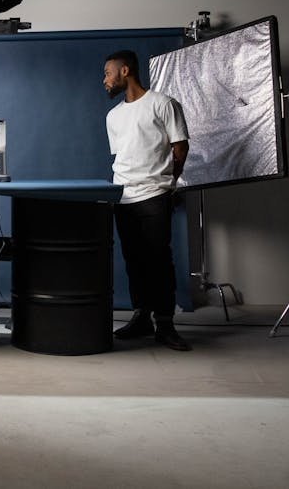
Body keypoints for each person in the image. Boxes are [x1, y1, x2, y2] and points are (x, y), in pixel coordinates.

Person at [102, 50, 192, 351]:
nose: (104, 80)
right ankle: (141, 318)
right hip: (123, 196)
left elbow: (180, 147)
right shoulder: (113, 116)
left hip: (155, 193)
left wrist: (169, 183)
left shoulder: (163, 103)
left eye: (108, 73)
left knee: (158, 260)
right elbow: (126, 156)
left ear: (124, 71)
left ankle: (165, 324)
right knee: (134, 261)